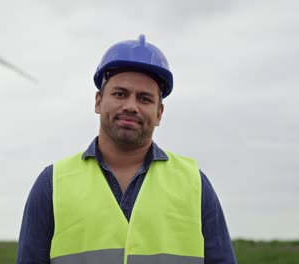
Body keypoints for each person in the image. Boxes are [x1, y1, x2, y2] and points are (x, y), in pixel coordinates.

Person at [16, 35, 237, 264]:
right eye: (120, 94)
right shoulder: (51, 184)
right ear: (98, 102)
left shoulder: (195, 184)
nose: (131, 106)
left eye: (144, 98)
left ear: (159, 113)